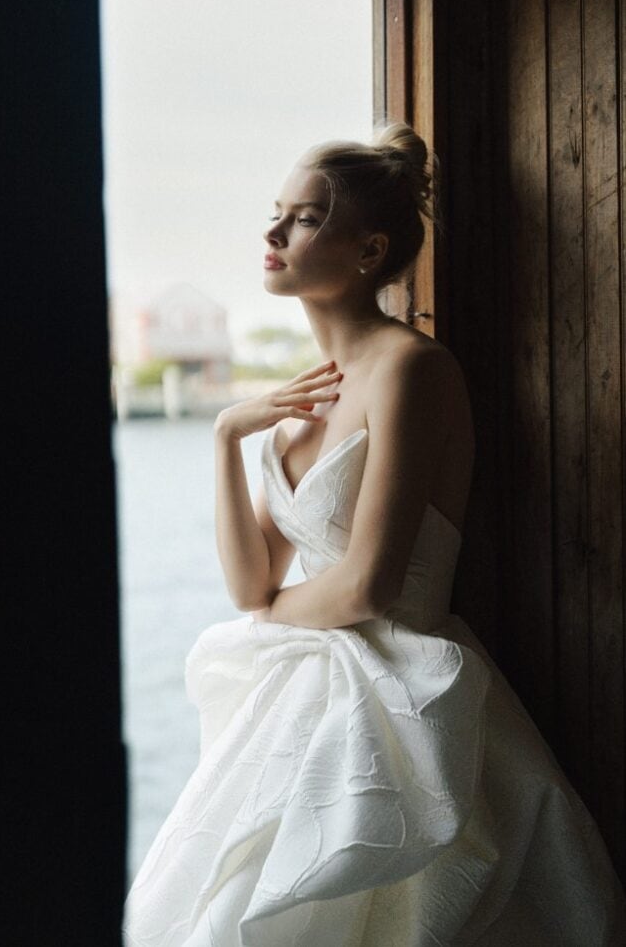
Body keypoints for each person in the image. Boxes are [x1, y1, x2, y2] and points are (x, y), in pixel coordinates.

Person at [123, 123, 625, 946]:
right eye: (277, 212)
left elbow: (367, 585)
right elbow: (250, 588)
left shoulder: (413, 370)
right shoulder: (304, 397)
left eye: (305, 217)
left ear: (369, 250)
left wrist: (270, 620)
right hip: (298, 694)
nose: (273, 233)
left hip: (400, 694)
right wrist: (225, 438)